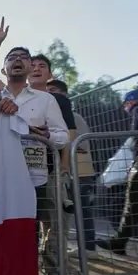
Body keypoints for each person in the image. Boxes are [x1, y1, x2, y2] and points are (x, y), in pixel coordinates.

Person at [0, 46, 69, 275]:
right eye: (12, 57)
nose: (18, 61)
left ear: (29, 67)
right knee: (4, 232)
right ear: (3, 68)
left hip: (35, 179)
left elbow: (63, 136)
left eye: (23, 58)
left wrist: (46, 136)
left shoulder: (46, 99)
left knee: (32, 230)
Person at [96, 89, 138, 255]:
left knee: (132, 207)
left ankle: (119, 242)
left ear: (132, 101)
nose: (126, 107)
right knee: (135, 208)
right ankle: (119, 242)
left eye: (126, 103)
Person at [47, 79, 98, 259]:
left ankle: (89, 248)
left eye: (53, 90)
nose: (49, 94)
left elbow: (78, 143)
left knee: (81, 209)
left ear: (63, 94)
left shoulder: (74, 117)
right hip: (71, 170)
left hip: (80, 171)